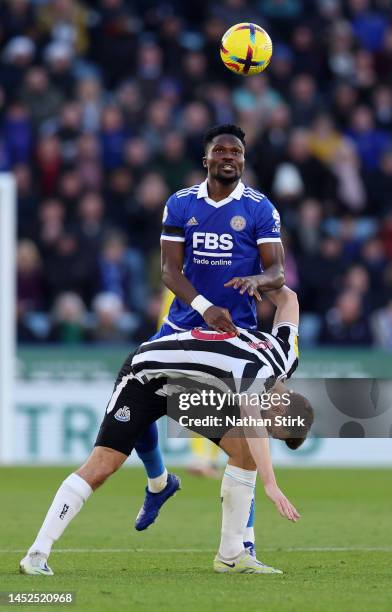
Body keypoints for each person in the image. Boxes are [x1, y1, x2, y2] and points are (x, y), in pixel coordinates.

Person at [20, 287, 313, 576]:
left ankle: (232, 555)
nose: (268, 431)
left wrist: (262, 279)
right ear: (279, 408)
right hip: (145, 378)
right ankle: (38, 552)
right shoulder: (256, 377)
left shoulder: (287, 355)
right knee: (103, 465)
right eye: (274, 430)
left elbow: (289, 299)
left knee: (244, 453)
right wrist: (271, 485)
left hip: (190, 387)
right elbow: (253, 426)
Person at [133, 123, 285, 557]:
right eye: (220, 150)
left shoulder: (260, 208)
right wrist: (204, 308)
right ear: (206, 159)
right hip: (183, 325)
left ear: (243, 159)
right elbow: (168, 271)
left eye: (235, 151)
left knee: (245, 441)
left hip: (236, 335)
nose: (228, 157)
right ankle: (159, 480)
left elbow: (278, 272)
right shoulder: (181, 203)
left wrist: (258, 278)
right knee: (135, 404)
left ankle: (245, 545)